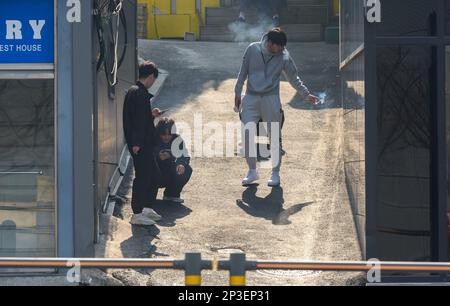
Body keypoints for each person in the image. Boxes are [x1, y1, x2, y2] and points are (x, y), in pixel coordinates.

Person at [235, 28, 319, 187]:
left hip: (271, 98)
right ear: (270, 43)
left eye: (283, 47)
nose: (281, 49)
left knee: (273, 136)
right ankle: (252, 171)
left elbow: (294, 78)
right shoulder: (252, 49)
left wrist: (306, 94)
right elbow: (242, 72)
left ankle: (275, 172)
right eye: (279, 46)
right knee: (246, 136)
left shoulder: (284, 55)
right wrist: (237, 93)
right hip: (251, 97)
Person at [123, 61, 163, 226]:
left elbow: (140, 119)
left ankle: (146, 208)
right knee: (143, 177)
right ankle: (137, 213)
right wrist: (137, 143)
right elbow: (138, 122)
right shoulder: (140, 93)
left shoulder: (135, 91)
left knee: (153, 175)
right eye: (154, 78)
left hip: (142, 143)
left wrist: (151, 115)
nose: (154, 82)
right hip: (141, 145)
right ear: (151, 76)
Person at [154, 118, 192, 203]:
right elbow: (145, 156)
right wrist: (157, 157)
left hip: (169, 172)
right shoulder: (153, 139)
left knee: (187, 169)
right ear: (159, 133)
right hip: (155, 173)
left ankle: (171, 194)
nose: (166, 137)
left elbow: (185, 156)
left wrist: (181, 164)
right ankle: (148, 196)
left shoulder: (177, 140)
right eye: (163, 134)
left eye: (169, 134)